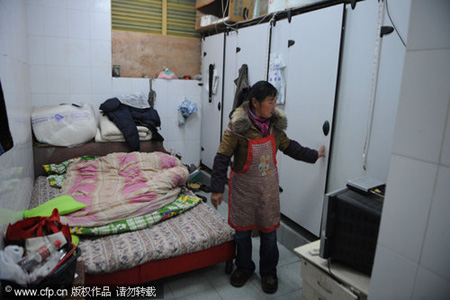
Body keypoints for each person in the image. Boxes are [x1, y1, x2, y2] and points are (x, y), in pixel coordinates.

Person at [210, 81, 325, 294]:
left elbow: (291, 147)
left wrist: (313, 155)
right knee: (243, 233)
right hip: (243, 189)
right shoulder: (238, 127)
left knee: (269, 233)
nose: (274, 106)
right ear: (255, 102)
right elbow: (222, 157)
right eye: (270, 102)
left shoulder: (275, 127)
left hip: (268, 190)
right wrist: (217, 188)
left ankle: (269, 272)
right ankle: (244, 267)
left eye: (275, 101)